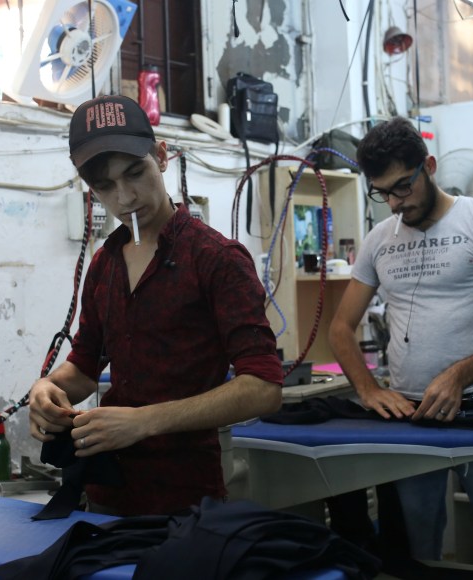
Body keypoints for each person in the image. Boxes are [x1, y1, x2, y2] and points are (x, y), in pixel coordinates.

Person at [28, 95, 283, 516]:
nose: (125, 197)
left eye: (135, 173)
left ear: (161, 157)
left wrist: (144, 421)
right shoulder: (104, 264)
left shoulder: (216, 259)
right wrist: (46, 389)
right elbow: (84, 369)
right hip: (107, 491)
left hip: (186, 498)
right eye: (105, 186)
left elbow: (264, 387)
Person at [328, 117, 473, 575]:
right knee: (417, 559)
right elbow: (340, 328)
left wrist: (458, 375)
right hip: (411, 421)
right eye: (383, 193)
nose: (395, 202)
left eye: (403, 186)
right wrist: (368, 390)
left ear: (428, 166)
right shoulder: (379, 242)